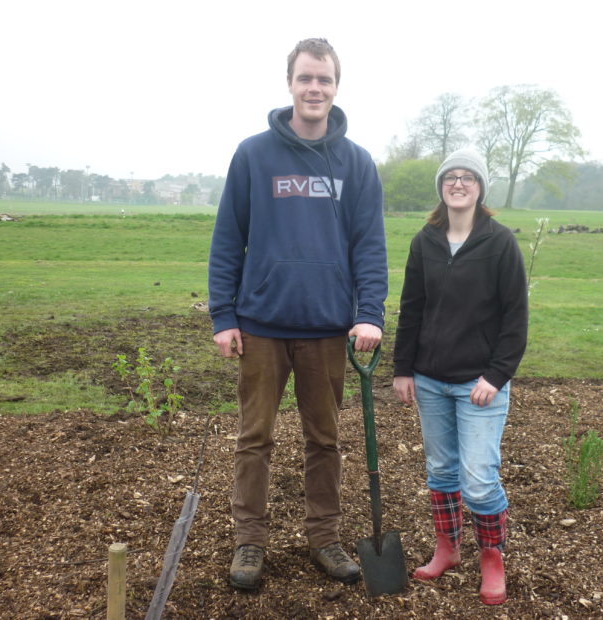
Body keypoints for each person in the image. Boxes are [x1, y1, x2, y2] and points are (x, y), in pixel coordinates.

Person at [208, 37, 388, 591]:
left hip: (327, 328)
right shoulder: (253, 155)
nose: (315, 89)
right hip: (260, 325)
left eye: (325, 80)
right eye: (306, 78)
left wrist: (370, 313)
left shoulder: (356, 163)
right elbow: (227, 240)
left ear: (337, 87)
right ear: (290, 83)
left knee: (325, 441)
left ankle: (324, 537)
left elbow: (369, 246)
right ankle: (250, 542)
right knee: (253, 438)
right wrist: (224, 315)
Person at [392, 149, 528, 605]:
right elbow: (412, 308)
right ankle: (447, 548)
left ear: (480, 188)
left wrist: (497, 374)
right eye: (451, 176)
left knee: (479, 478)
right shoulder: (425, 241)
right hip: (430, 380)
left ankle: (492, 556)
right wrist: (403, 368)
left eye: (468, 177)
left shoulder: (500, 242)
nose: (458, 183)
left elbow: (515, 318)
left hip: (479, 385)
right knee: (442, 470)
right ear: (441, 187)